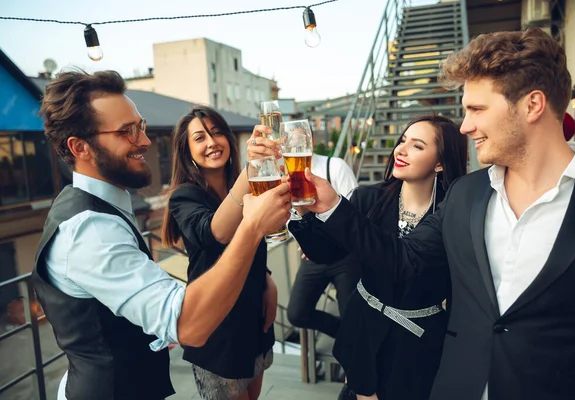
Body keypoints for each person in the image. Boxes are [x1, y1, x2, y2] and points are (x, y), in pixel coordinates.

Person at [295, 27, 575, 400]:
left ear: (532, 105)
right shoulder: (466, 195)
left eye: (477, 109)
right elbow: (405, 261)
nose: (465, 125)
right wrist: (328, 206)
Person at [33, 70, 291, 400]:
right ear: (79, 147)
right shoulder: (89, 230)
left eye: (140, 126)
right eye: (127, 132)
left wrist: (263, 275)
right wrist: (254, 227)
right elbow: (187, 325)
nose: (144, 140)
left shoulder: (104, 205)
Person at [289, 115, 467, 400]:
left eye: (417, 146)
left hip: (417, 340)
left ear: (440, 162)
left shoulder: (453, 212)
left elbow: (403, 262)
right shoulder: (368, 198)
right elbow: (325, 253)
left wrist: (335, 207)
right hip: (363, 326)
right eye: (402, 141)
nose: (401, 149)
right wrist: (304, 212)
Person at [162, 105, 281, 400]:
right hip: (217, 328)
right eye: (200, 138)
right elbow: (218, 233)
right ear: (187, 150)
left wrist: (267, 279)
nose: (212, 142)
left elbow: (256, 242)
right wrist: (251, 171)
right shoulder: (184, 196)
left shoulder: (248, 186)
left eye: (217, 133)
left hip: (254, 318)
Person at [287, 153, 359, 339]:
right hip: (313, 258)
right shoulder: (286, 173)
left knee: (353, 315)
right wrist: (306, 240)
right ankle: (344, 335)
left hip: (346, 256)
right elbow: (291, 217)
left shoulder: (335, 166)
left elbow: (355, 212)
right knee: (296, 313)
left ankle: (352, 343)